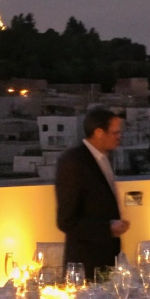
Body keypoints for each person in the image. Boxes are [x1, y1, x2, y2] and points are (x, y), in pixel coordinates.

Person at [54, 107, 128, 279]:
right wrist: (107, 228)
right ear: (99, 132)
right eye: (115, 133)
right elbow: (66, 221)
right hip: (86, 264)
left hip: (106, 259)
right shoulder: (73, 162)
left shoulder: (102, 159)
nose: (119, 137)